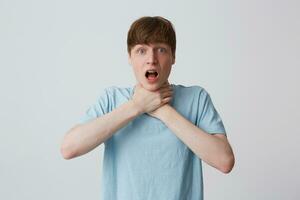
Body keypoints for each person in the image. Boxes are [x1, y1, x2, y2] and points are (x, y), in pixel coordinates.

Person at [60, 16, 235, 200]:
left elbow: (224, 161)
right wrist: (136, 106)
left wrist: (162, 110)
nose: (151, 60)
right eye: (141, 51)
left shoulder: (196, 99)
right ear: (129, 57)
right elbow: (69, 148)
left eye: (161, 49)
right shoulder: (111, 99)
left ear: (173, 56)